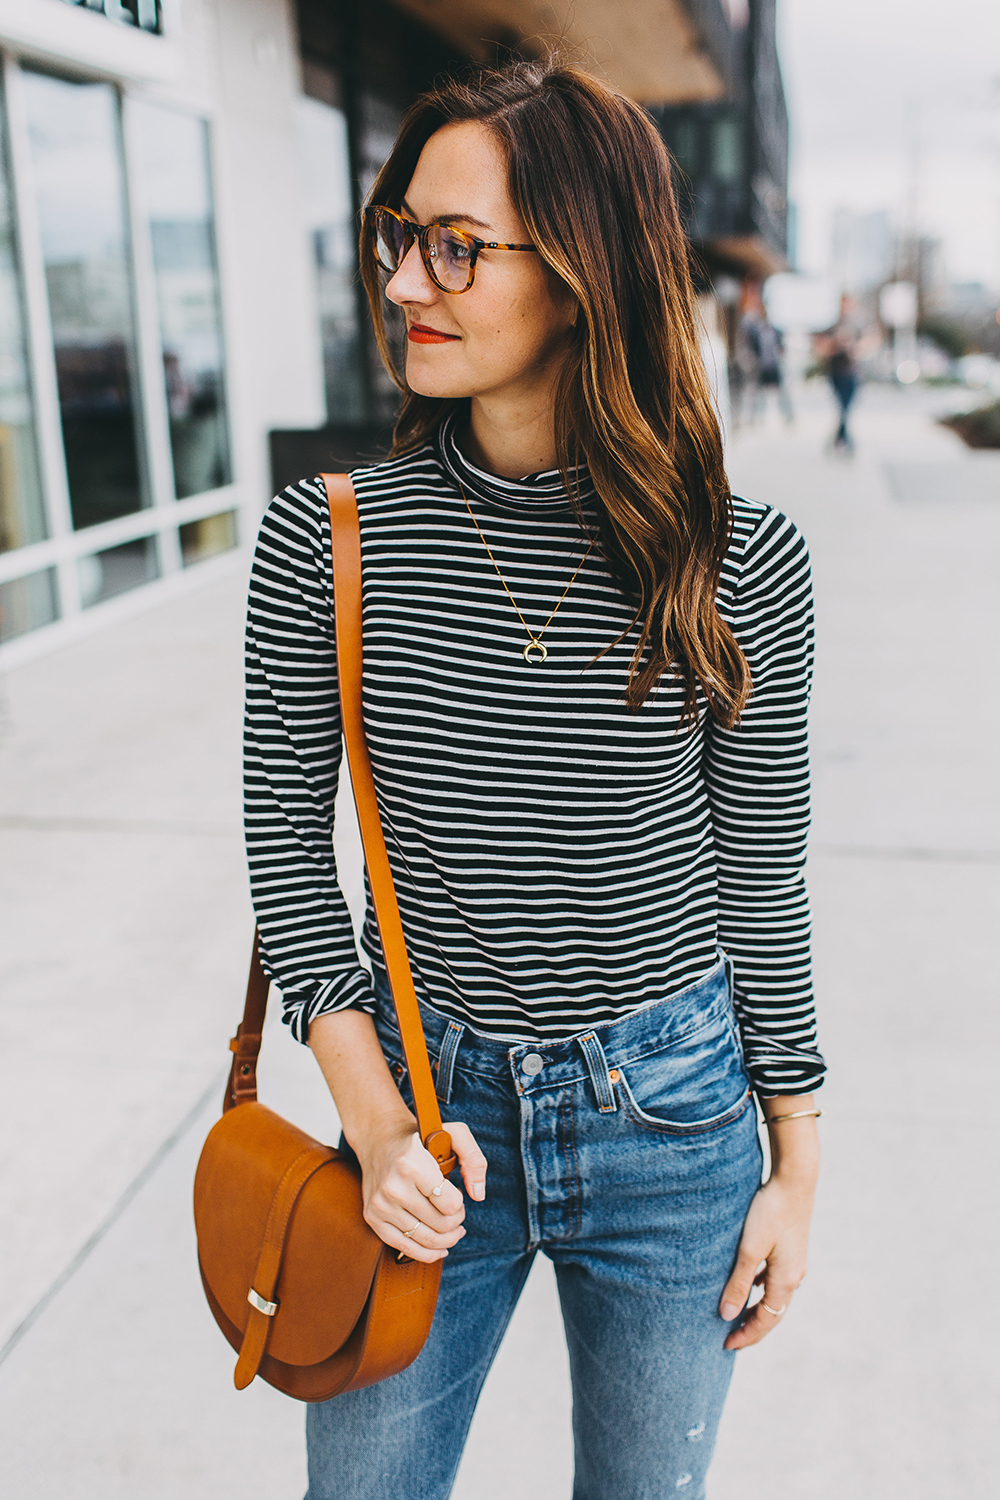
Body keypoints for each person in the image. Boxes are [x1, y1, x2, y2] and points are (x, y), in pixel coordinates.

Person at [244, 60, 824, 1500]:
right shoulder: (328, 543)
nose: (405, 283)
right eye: (399, 235)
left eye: (457, 246)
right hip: (433, 1114)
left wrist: (796, 1166)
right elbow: (281, 850)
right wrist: (376, 1125)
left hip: (676, 1119)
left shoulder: (739, 564)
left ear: (581, 273)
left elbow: (757, 879)